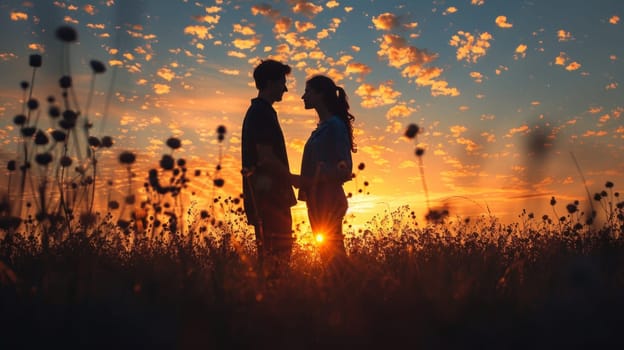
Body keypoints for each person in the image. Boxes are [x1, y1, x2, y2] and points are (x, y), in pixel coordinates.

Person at [293, 75, 355, 274]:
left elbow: (345, 169)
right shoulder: (322, 128)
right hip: (317, 200)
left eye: (308, 91)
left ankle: (348, 296)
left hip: (329, 200)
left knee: (334, 259)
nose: (303, 96)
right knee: (328, 258)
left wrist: (312, 178)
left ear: (319, 95)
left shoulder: (335, 126)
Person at [241, 59, 297, 279]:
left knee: (273, 261)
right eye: (282, 82)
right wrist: (293, 179)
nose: (285, 88)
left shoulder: (262, 112)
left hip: (269, 199)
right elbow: (266, 157)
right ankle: (273, 306)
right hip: (270, 200)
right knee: (277, 263)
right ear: (271, 82)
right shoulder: (261, 113)